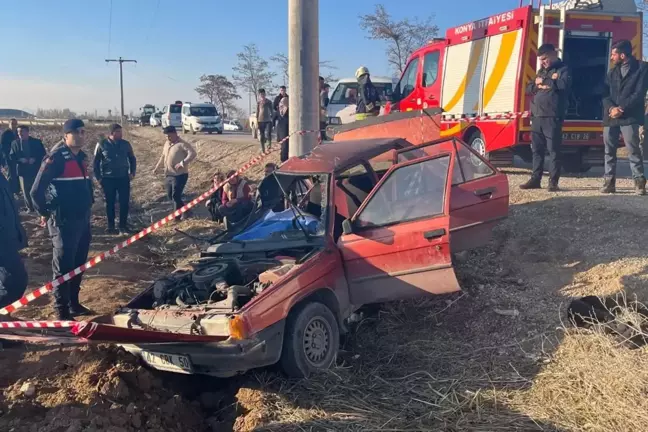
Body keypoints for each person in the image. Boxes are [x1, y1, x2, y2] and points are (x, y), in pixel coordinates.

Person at [31, 119, 94, 320]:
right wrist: (45, 212)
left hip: (82, 219)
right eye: (76, 132)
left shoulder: (82, 158)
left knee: (78, 264)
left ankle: (74, 303)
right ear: (65, 135)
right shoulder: (55, 158)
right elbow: (36, 191)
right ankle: (62, 311)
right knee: (63, 266)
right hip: (63, 221)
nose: (81, 135)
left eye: (83, 132)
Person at [520, 44, 571, 192]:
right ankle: (536, 179)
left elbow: (563, 85)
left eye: (544, 59)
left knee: (553, 150)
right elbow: (529, 88)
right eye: (541, 60)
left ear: (552, 55)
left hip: (552, 115)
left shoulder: (563, 69)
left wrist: (546, 82)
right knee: (536, 150)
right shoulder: (541, 71)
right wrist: (542, 84)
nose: (543, 62)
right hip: (537, 115)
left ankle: (553, 182)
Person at [600, 39, 648, 195]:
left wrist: (621, 108)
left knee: (633, 149)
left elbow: (639, 93)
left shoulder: (642, 68)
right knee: (609, 150)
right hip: (611, 117)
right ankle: (609, 183)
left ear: (622, 55)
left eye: (614, 54)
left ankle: (639, 183)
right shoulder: (612, 72)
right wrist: (612, 108)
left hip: (630, 116)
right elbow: (604, 94)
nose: (611, 57)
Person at [93, 124, 137, 234]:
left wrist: (132, 172)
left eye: (121, 131)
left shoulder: (126, 144)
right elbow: (96, 162)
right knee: (110, 203)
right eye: (118, 132)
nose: (121, 134)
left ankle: (123, 226)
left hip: (123, 178)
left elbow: (132, 158)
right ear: (112, 133)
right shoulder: (101, 144)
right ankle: (111, 226)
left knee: (124, 202)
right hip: (108, 179)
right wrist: (98, 178)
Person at [153, 126, 197, 221]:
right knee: (170, 196)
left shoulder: (182, 144)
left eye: (169, 136)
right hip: (169, 174)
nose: (167, 138)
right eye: (166, 136)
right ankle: (187, 210)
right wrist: (157, 167)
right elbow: (163, 156)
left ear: (175, 134)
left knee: (175, 195)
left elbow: (192, 153)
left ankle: (176, 217)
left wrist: (183, 163)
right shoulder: (167, 144)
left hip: (180, 175)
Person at [0, 171, 28, 310]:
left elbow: (10, 209)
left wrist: (18, 234)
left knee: (16, 281)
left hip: (8, 238)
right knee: (15, 281)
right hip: (3, 241)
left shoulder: (2, 178)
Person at [9, 125, 46, 213]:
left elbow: (43, 154)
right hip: (23, 171)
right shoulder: (15, 143)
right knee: (25, 191)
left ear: (27, 132)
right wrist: (19, 159)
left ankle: (38, 208)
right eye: (18, 132)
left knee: (36, 190)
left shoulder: (36, 142)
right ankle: (30, 208)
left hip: (35, 170)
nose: (20, 134)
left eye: (22, 131)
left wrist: (35, 159)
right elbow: (11, 156)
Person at [1, 118, 19, 195]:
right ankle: (10, 191)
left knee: (17, 175)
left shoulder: (18, 133)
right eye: (12, 124)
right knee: (11, 175)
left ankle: (16, 191)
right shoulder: (5, 134)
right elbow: (3, 148)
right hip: (9, 158)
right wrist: (5, 159)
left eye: (15, 124)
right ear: (9, 124)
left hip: (17, 158)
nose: (14, 125)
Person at [276, 96, 290, 162]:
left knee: (286, 147)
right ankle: (283, 160)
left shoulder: (290, 110)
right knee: (283, 147)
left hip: (287, 130)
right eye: (281, 102)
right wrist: (278, 136)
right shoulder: (278, 110)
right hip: (281, 131)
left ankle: (285, 160)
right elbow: (276, 120)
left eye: (283, 102)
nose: (281, 103)